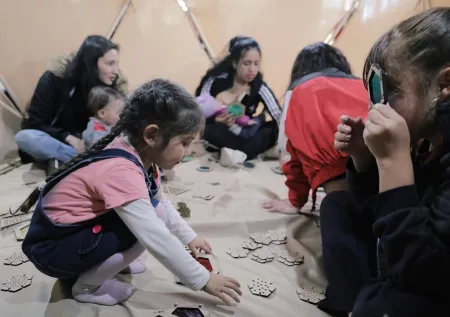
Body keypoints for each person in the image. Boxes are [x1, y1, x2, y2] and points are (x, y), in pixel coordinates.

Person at [17, 79, 242, 306]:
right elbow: (154, 235)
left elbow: (160, 201)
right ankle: (87, 287)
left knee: (155, 212)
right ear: (151, 135)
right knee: (149, 223)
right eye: (184, 143)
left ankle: (111, 262)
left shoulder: (141, 155)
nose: (189, 152)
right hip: (54, 250)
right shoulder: (121, 169)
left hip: (69, 236)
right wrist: (203, 279)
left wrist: (189, 236)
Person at [332, 8, 450, 317]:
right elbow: (377, 211)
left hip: (426, 270)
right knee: (336, 205)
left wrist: (392, 160)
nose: (375, 109)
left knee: (381, 306)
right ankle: (352, 296)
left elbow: (423, 271)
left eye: (390, 92)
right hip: (405, 254)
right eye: (374, 94)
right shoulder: (426, 135)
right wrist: (365, 159)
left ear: (445, 84)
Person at [262, 42, 367, 214]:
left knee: (341, 214)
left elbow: (289, 152)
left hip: (337, 182)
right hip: (390, 172)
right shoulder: (364, 85)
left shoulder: (298, 90)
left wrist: (295, 200)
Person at [15, 35, 128, 173]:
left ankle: (71, 162)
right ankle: (83, 162)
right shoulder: (54, 79)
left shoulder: (113, 85)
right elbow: (36, 122)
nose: (115, 71)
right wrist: (67, 137)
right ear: (91, 63)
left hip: (93, 144)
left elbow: (125, 120)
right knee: (25, 137)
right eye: (110, 64)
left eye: (116, 64)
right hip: (62, 142)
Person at [195, 36, 281, 159]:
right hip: (222, 131)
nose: (252, 69)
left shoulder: (259, 86)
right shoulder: (216, 80)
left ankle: (238, 152)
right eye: (246, 63)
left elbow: (277, 114)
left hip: (246, 132)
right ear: (235, 63)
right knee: (211, 130)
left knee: (273, 128)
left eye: (256, 64)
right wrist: (216, 120)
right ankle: (245, 152)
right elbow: (198, 111)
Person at [195, 93, 262, 139]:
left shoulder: (214, 114)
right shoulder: (224, 110)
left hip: (236, 129)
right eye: (215, 101)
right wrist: (248, 121)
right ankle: (261, 118)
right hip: (241, 131)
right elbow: (239, 118)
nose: (217, 100)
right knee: (257, 122)